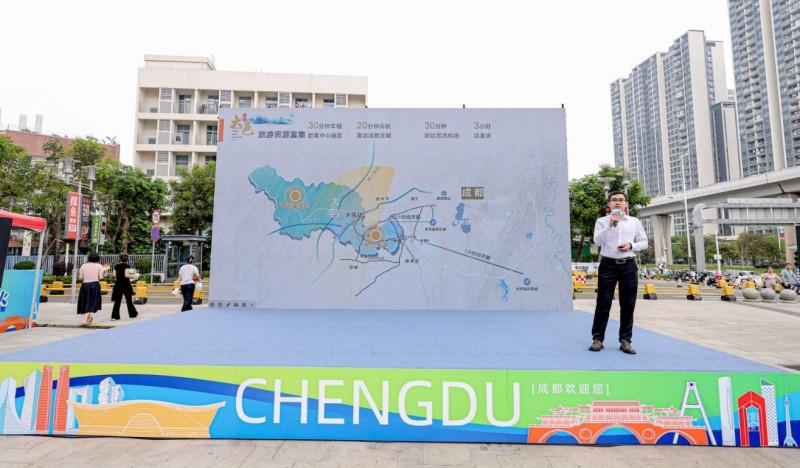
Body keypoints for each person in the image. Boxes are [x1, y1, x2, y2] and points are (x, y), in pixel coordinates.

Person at [589, 191, 648, 355]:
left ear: (626, 204)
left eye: (621, 200)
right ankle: (597, 339)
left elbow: (644, 242)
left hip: (628, 264)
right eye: (614, 200)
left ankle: (625, 340)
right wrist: (611, 225)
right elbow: (597, 241)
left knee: (628, 304)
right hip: (608, 265)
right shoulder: (602, 221)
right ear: (609, 204)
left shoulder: (634, 222)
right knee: (603, 302)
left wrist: (631, 245)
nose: (617, 202)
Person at [77, 252, 104, 326]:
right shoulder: (99, 266)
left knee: (86, 301)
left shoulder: (83, 266)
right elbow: (101, 277)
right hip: (95, 285)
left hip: (85, 285)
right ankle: (85, 320)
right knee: (91, 302)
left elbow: (80, 278)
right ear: (97, 258)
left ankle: (89, 319)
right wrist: (104, 272)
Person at [111, 253, 138, 320]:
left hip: (118, 284)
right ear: (127, 259)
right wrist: (134, 276)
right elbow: (127, 275)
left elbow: (114, 275)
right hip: (126, 284)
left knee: (117, 301)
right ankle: (132, 314)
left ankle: (115, 316)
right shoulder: (127, 266)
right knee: (129, 300)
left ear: (119, 259)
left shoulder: (116, 266)